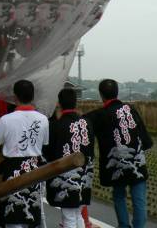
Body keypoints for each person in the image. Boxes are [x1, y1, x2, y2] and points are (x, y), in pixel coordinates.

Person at [85, 79, 153, 228]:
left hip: (116, 165)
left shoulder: (99, 115)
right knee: (139, 199)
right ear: (117, 92)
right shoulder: (130, 109)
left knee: (119, 195)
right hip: (136, 162)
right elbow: (145, 139)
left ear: (101, 95)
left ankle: (123, 225)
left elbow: (80, 123)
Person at [0, 80, 49, 228]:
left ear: (15, 97)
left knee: (13, 215)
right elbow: (44, 143)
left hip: (12, 169)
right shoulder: (43, 119)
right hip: (34, 169)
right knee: (32, 212)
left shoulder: (5, 120)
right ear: (33, 96)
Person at [44, 88, 94, 228]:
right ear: (75, 102)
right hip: (85, 176)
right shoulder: (86, 122)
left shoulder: (55, 125)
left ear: (59, 103)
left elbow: (48, 152)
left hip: (65, 177)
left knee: (69, 216)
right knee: (77, 213)